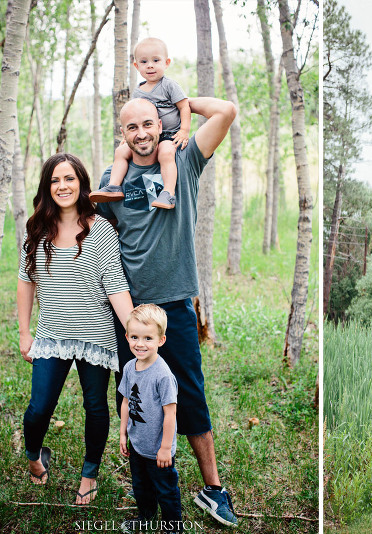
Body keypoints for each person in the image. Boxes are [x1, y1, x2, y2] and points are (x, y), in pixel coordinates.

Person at [95, 96, 239, 527]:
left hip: (173, 306)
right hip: (129, 314)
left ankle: (213, 489)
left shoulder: (185, 159)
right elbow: (97, 232)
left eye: (147, 123)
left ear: (161, 123)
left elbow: (227, 111)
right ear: (121, 134)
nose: (140, 134)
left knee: (189, 394)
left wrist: (185, 102)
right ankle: (147, 497)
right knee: (135, 396)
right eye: (130, 128)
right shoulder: (112, 180)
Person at [17, 153, 134, 504]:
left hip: (95, 338)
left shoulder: (100, 230)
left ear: (82, 184)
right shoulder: (38, 228)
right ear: (46, 186)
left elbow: (115, 284)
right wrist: (25, 332)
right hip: (52, 335)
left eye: (69, 179)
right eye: (55, 180)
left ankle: (89, 474)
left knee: (96, 407)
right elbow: (26, 281)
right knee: (39, 407)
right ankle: (35, 458)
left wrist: (136, 331)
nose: (62, 186)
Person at [90, 37, 190, 210]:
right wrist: (128, 137)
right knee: (121, 151)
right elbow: (133, 115)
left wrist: (184, 130)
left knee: (166, 153)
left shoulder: (169, 86)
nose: (150, 65)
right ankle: (114, 186)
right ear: (136, 66)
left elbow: (184, 106)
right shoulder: (137, 91)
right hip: (147, 135)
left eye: (156, 60)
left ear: (166, 63)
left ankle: (168, 193)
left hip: (167, 135)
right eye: (144, 61)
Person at [119, 304, 182, 533]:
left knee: (165, 489)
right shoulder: (128, 368)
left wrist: (165, 448)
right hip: (137, 444)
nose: (140, 344)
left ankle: (173, 526)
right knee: (141, 485)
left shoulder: (163, 375)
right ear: (127, 336)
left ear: (161, 340)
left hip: (158, 449)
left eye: (148, 338)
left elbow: (170, 413)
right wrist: (123, 434)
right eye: (134, 337)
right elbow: (126, 401)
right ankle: (146, 515)